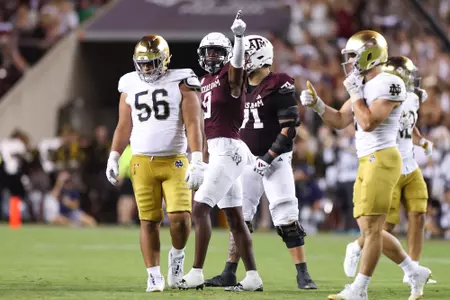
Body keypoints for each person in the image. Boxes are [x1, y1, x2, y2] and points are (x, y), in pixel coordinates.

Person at [300, 30, 431, 300]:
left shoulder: (390, 82)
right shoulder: (364, 84)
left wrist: (356, 95)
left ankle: (359, 289)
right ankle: (413, 270)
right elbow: (339, 120)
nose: (348, 62)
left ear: (369, 55)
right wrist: (318, 105)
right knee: (370, 230)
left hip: (383, 158)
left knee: (372, 230)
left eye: (352, 56)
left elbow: (370, 122)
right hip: (367, 159)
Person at [204, 34, 317, 290]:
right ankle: (229, 271)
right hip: (245, 160)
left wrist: (268, 158)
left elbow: (289, 130)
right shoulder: (237, 85)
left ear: (259, 56)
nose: (240, 60)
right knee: (239, 217)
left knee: (286, 214)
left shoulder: (279, 83)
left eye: (245, 54)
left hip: (275, 158)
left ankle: (303, 274)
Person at [105, 34, 205, 292]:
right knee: (148, 220)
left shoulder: (182, 80)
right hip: (142, 162)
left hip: (175, 161)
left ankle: (177, 257)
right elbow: (123, 125)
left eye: (152, 62)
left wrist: (197, 158)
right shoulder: (129, 83)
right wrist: (114, 155)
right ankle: (153, 275)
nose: (147, 68)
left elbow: (194, 124)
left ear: (165, 59)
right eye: (143, 63)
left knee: (181, 218)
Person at [177, 11, 263, 292]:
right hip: (216, 151)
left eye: (217, 52)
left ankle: (196, 272)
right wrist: (199, 158)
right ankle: (252, 278)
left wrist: (238, 39)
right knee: (236, 219)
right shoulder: (202, 82)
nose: (212, 57)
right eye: (208, 52)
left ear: (226, 54)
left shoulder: (231, 75)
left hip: (228, 148)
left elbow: (237, 72)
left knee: (199, 209)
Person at [343, 56, 436, 284]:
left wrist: (421, 141)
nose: (413, 79)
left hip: (410, 165)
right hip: (388, 165)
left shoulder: (412, 97)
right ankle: (356, 246)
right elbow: (375, 125)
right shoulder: (381, 94)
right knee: (385, 226)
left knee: (418, 213)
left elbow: (408, 125)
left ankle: (412, 269)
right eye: (408, 74)